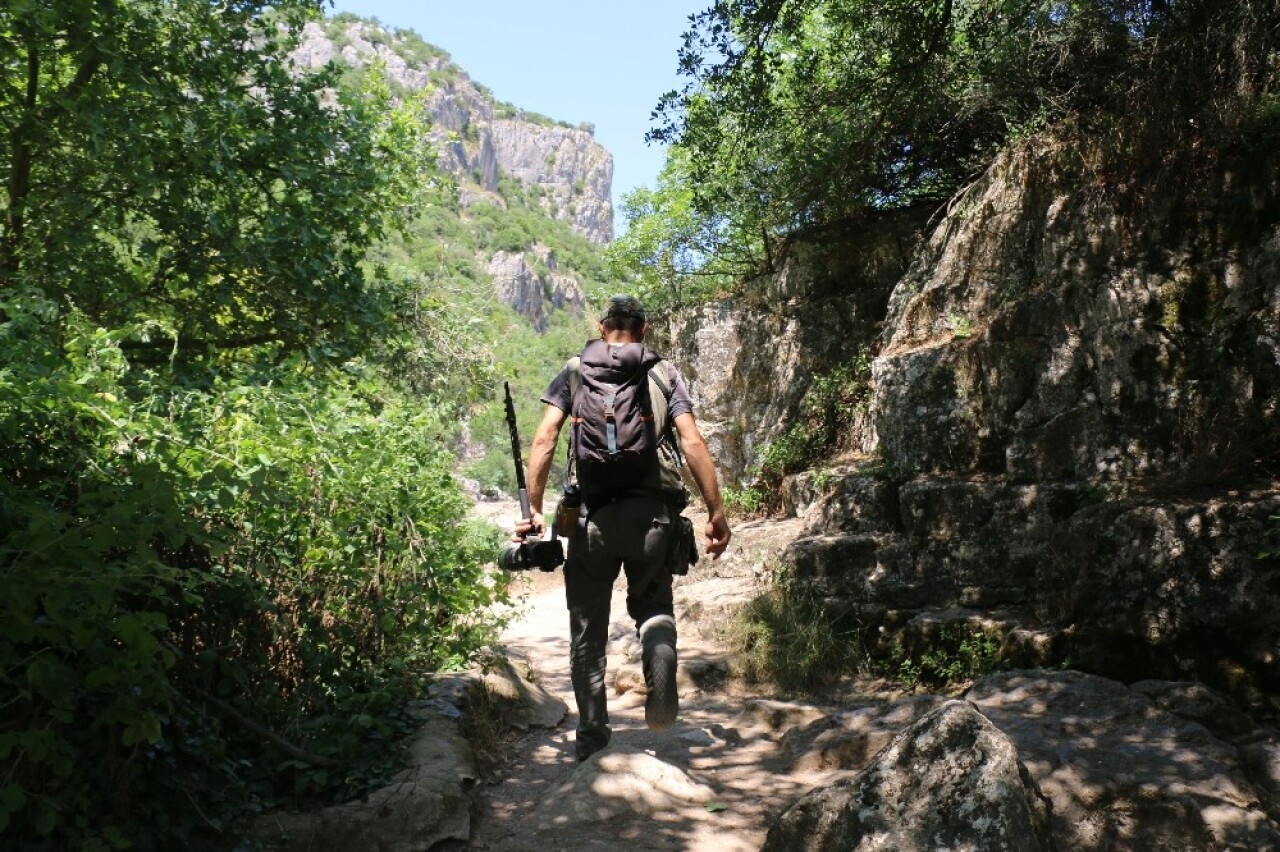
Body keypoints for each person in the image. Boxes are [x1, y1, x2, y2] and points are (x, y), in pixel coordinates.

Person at [513, 295, 731, 761]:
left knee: (587, 631)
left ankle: (593, 738)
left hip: (592, 519)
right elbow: (691, 441)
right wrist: (716, 511)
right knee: (653, 604)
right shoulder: (663, 372)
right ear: (643, 329)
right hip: (654, 515)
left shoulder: (574, 372)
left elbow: (544, 437)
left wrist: (533, 509)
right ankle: (658, 648)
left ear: (601, 326)